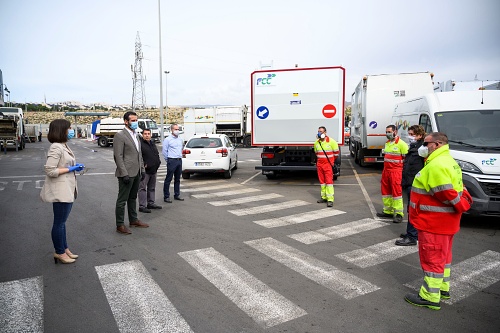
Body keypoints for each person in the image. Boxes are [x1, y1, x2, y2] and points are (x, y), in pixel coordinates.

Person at [404, 132, 472, 310]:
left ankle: (430, 296)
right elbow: (458, 189)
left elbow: (445, 193)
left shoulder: (436, 165)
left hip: (433, 222)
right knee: (444, 257)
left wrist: (460, 205)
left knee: (432, 257)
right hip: (445, 222)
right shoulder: (449, 161)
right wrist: (460, 205)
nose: (423, 147)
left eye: (426, 144)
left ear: (438, 144)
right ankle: (442, 288)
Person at [40, 119, 84, 264]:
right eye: (69, 128)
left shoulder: (63, 145)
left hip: (67, 189)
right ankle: (59, 252)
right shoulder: (56, 147)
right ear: (61, 130)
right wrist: (71, 168)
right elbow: (50, 170)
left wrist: (74, 166)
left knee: (62, 223)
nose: (71, 130)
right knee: (59, 223)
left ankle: (65, 249)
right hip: (60, 191)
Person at [113, 111, 149, 234]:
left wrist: (142, 170)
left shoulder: (136, 135)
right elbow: (118, 156)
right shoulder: (120, 135)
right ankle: (120, 225)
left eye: (136, 120)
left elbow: (139, 155)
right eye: (133, 120)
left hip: (137, 172)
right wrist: (124, 173)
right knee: (122, 200)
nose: (135, 122)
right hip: (126, 174)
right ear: (126, 121)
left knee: (133, 197)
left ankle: (133, 220)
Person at [396, 125, 425, 246]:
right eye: (409, 134)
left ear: (419, 135)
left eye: (412, 134)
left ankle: (411, 236)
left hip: (415, 184)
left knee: (412, 210)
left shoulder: (422, 149)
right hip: (410, 182)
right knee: (411, 209)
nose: (410, 136)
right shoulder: (414, 147)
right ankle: (412, 233)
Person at [377, 125, 408, 223]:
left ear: (395, 131)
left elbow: (406, 160)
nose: (387, 134)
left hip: (396, 171)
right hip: (386, 171)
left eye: (389, 131)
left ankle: (399, 213)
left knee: (396, 193)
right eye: (386, 132)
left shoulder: (402, 144)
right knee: (386, 192)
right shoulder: (387, 143)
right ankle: (388, 211)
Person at [313, 126, 339, 207]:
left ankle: (330, 199)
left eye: (321, 131)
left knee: (329, 182)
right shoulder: (316, 142)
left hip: (328, 165)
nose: (319, 133)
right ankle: (323, 197)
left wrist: (330, 161)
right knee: (322, 182)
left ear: (325, 132)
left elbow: (336, 154)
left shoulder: (332, 142)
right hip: (320, 165)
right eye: (318, 131)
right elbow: (316, 153)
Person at [138, 128, 162, 213]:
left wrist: (158, 162)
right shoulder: (140, 144)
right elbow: (139, 157)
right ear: (143, 135)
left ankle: (151, 203)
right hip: (145, 171)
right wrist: (144, 165)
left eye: (148, 134)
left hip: (153, 170)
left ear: (150, 135)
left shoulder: (152, 143)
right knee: (142, 188)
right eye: (145, 134)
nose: (147, 135)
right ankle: (142, 206)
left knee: (152, 188)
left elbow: (156, 154)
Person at [162, 123, 184, 203]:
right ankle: (166, 196)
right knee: (168, 179)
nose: (177, 131)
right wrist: (168, 160)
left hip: (179, 160)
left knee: (177, 179)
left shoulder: (180, 139)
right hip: (172, 160)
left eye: (178, 129)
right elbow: (164, 151)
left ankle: (177, 194)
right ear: (171, 130)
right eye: (175, 129)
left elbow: (181, 149)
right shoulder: (168, 139)